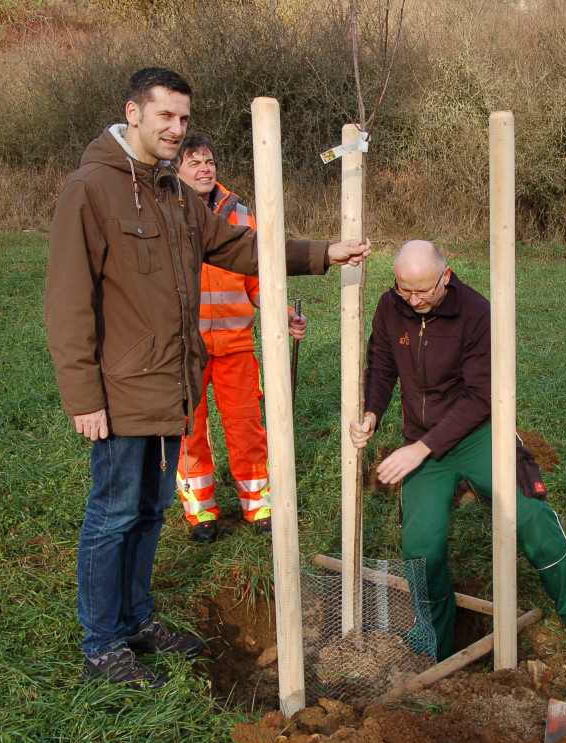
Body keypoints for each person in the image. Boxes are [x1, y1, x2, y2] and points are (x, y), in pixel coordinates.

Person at [44, 67, 370, 688]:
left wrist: (322, 254)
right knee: (112, 515)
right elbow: (67, 300)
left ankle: (136, 620)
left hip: (174, 385)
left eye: (184, 119)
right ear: (133, 112)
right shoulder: (91, 189)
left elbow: (241, 247)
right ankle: (101, 644)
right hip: (119, 392)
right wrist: (83, 395)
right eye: (164, 116)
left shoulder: (176, 193)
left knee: (149, 510)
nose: (175, 129)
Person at [349, 240, 566, 662]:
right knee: (420, 546)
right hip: (422, 443)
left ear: (445, 276)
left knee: (528, 512)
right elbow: (381, 364)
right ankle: (437, 643)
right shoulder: (390, 307)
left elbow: (481, 396)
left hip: (478, 433)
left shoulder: (477, 313)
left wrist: (422, 449)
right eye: (404, 290)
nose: (413, 300)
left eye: (423, 291)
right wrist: (373, 412)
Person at [173, 132, 308, 542]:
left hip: (236, 345)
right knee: (189, 430)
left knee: (247, 426)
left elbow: (256, 279)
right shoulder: (166, 213)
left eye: (209, 161)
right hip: (185, 349)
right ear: (175, 169)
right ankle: (201, 513)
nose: (204, 169)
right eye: (194, 162)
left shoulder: (241, 214)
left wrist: (281, 313)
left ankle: (257, 505)